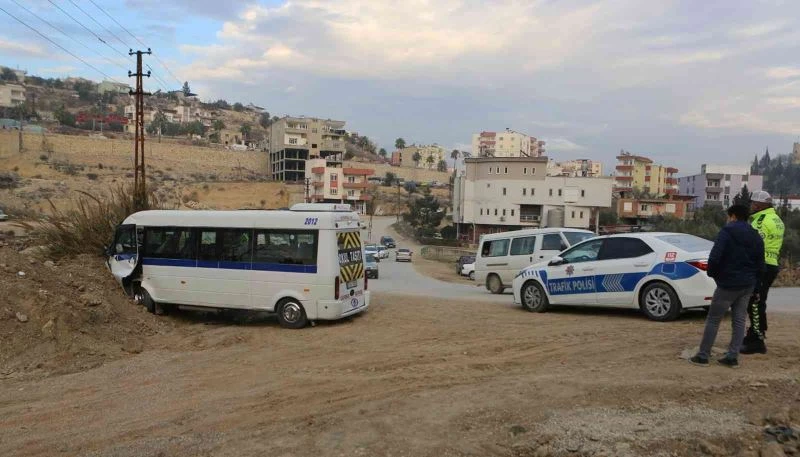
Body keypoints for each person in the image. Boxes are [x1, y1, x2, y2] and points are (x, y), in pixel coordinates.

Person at [691, 204, 764, 368]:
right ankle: (732, 357)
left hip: (728, 284)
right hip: (748, 284)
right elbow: (761, 264)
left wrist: (713, 274)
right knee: (739, 320)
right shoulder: (755, 235)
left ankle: (703, 356)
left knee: (713, 319)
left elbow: (715, 256)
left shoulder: (727, 232)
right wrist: (757, 287)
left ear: (733, 216)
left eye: (728, 216)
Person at [741, 190, 785, 354]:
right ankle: (756, 335)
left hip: (760, 266)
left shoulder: (760, 221)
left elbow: (753, 245)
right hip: (772, 264)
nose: (751, 206)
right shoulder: (777, 219)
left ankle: (756, 341)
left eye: (753, 203)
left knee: (754, 302)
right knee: (760, 301)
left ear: (759, 205)